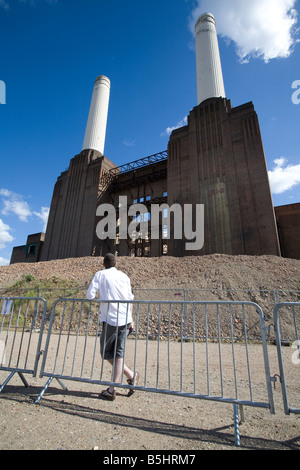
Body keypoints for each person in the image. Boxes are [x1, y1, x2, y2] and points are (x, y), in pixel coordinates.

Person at [86, 253, 139, 401]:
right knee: (118, 354)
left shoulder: (100, 275)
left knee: (106, 352)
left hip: (111, 319)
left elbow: (89, 295)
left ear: (104, 264)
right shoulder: (125, 277)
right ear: (116, 264)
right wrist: (131, 319)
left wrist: (102, 299)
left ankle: (112, 389)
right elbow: (130, 299)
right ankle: (131, 375)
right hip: (125, 319)